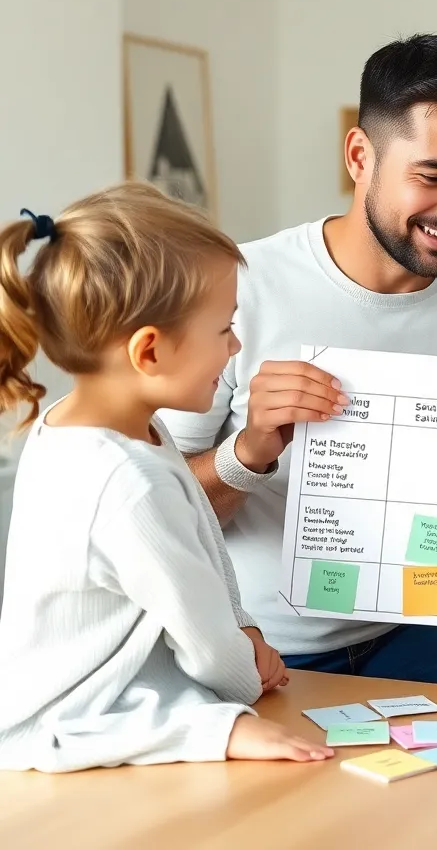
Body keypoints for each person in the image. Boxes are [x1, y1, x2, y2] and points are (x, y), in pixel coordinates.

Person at [160, 34, 437, 690]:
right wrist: (249, 450)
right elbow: (154, 508)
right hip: (256, 634)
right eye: (434, 177)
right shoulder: (235, 287)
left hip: (421, 627)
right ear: (360, 156)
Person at [0, 183, 331, 772]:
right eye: (224, 330)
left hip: (107, 697)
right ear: (149, 352)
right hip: (71, 722)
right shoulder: (125, 481)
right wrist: (245, 679)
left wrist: (245, 630)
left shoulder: (107, 427)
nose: (236, 347)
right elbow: (206, 647)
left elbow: (204, 557)